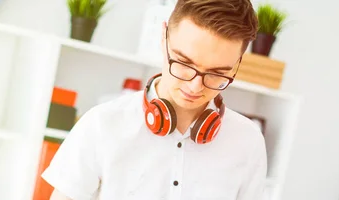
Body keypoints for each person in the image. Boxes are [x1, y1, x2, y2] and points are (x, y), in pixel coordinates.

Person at [41, 0, 266, 199]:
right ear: (163, 37)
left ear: (237, 64)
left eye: (217, 73)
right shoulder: (101, 124)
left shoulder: (248, 141)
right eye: (184, 63)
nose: (194, 86)